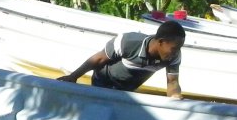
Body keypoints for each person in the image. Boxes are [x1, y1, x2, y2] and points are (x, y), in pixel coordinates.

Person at [57, 20, 186, 99]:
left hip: (126, 91)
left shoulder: (174, 55)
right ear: (161, 42)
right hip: (102, 83)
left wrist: (175, 97)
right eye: (174, 48)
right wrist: (73, 77)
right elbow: (98, 59)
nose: (176, 52)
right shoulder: (128, 42)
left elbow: (172, 83)